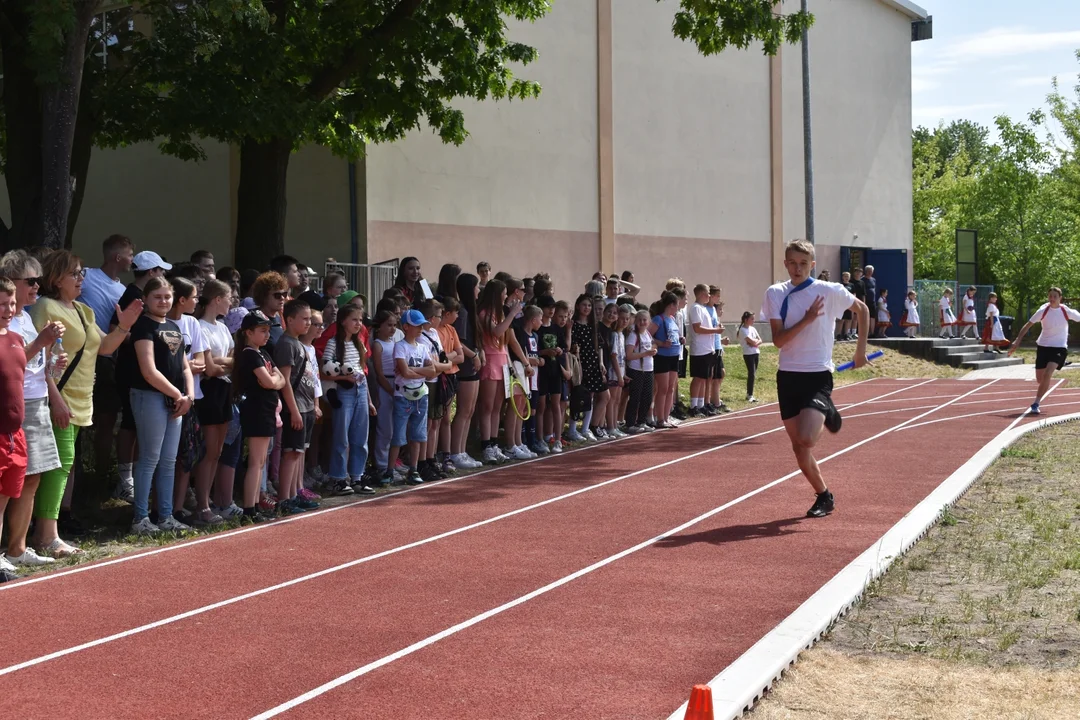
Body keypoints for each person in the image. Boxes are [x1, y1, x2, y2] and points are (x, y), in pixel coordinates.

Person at [31, 251, 142, 555]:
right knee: (60, 464)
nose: (82, 279)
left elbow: (103, 347)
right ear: (55, 279)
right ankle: (45, 535)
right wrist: (56, 400)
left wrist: (124, 326)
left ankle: (48, 530)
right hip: (58, 398)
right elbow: (38, 359)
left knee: (64, 465)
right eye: (75, 274)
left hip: (82, 400)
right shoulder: (45, 306)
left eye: (82, 273)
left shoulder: (83, 310)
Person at [762, 239, 869, 519]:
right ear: (785, 264)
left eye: (803, 263)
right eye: (792, 263)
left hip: (818, 374)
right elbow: (779, 341)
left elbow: (863, 310)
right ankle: (824, 495)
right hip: (788, 376)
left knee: (807, 439)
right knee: (799, 448)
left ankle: (826, 408)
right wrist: (808, 319)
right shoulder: (776, 293)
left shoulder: (829, 291)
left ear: (813, 265)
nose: (797, 269)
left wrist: (860, 352)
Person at [0, 252, 65, 568]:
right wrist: (41, 343)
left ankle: (17, 548)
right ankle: (10, 549)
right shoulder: (7, 319)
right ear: (10, 282)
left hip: (35, 400)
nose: (37, 286)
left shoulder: (23, 317)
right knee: (8, 482)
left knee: (32, 476)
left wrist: (52, 361)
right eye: (31, 280)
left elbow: (31, 364)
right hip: (16, 405)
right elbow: (12, 362)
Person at [127, 277, 194, 534]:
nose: (163, 301)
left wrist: (188, 396)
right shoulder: (143, 326)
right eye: (158, 297)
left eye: (167, 296)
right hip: (149, 397)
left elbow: (185, 366)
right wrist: (178, 394)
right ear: (146, 299)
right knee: (150, 458)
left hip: (175, 400)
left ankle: (165, 516)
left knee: (168, 460)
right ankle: (140, 519)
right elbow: (148, 370)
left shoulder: (174, 326)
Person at [111, 249, 171, 503]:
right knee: (130, 424)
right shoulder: (132, 296)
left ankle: (135, 479)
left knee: (138, 428)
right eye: (159, 271)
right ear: (151, 272)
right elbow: (116, 330)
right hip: (132, 371)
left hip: (147, 372)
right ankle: (125, 480)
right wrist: (140, 339)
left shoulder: (145, 299)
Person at [78, 235, 134, 486]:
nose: (132, 260)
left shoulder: (123, 291)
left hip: (110, 359)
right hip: (83, 358)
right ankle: (77, 472)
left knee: (107, 418)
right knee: (80, 420)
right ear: (118, 257)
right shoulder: (86, 276)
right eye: (130, 255)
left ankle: (99, 476)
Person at [233, 311, 285, 521]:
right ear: (248, 332)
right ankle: (249, 509)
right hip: (256, 410)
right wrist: (274, 379)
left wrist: (274, 379)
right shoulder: (250, 354)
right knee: (256, 461)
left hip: (266, 410)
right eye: (262, 331)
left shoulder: (263, 354)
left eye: (268, 331)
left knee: (261, 461)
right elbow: (271, 382)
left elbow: (280, 379)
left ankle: (254, 506)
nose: (267, 335)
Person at [166, 276, 210, 523]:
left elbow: (201, 362)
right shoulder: (156, 323)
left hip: (191, 397)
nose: (197, 301)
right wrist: (185, 365)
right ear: (181, 300)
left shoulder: (192, 323)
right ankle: (159, 507)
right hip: (165, 396)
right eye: (194, 297)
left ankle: (178, 508)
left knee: (187, 454)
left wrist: (186, 366)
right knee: (165, 456)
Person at [321, 305, 376, 495]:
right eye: (354, 320)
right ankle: (338, 477)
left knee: (360, 437)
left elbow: (362, 373)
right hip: (344, 392)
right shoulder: (333, 344)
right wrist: (344, 378)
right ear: (343, 321)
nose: (358, 324)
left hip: (360, 391)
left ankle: (357, 476)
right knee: (341, 437)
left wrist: (369, 400)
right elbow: (325, 372)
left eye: (360, 320)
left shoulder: (359, 343)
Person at [192, 279, 234, 524]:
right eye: (228, 298)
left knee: (217, 450)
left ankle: (210, 501)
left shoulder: (224, 327)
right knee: (208, 451)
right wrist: (220, 364)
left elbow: (232, 359)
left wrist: (221, 363)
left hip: (224, 391)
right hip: (209, 391)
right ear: (217, 299)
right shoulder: (200, 326)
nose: (231, 303)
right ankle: (202, 505)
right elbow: (209, 369)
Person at [275, 300, 322, 512]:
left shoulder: (298, 344)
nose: (307, 323)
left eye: (309, 319)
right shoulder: (286, 344)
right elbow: (285, 381)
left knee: (298, 452)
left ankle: (294, 494)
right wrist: (293, 411)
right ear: (289, 319)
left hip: (305, 406)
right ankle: (284, 499)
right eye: (304, 319)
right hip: (295, 407)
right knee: (291, 452)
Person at [1008, 287, 1080, 415]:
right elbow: (1027, 325)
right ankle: (1046, 383)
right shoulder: (1043, 311)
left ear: (1060, 298)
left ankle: (1036, 403)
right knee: (1040, 379)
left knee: (1048, 374)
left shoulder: (1066, 311)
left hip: (1059, 347)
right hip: (1043, 346)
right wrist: (1017, 341)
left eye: (1055, 296)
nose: (1052, 299)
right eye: (1050, 296)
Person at [0, 277, 30, 575]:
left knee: (5, 497)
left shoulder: (15, 338)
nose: (8, 309)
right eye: (1, 304)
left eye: (11, 303)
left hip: (14, 433)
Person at [391, 309, 439, 484]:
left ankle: (414, 469)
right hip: (402, 395)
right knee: (398, 435)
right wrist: (418, 372)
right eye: (416, 326)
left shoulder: (423, 347)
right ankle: (390, 470)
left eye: (422, 326)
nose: (420, 329)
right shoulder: (400, 346)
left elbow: (432, 371)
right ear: (405, 327)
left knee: (418, 435)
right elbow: (404, 372)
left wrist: (414, 371)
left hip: (421, 395)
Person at [449, 273, 483, 469]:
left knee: (469, 410)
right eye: (476, 287)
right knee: (463, 410)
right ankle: (456, 452)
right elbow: (458, 341)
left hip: (472, 365)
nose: (478, 291)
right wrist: (473, 355)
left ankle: (462, 450)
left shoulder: (469, 311)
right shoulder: (462, 312)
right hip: (464, 367)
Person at [648, 292, 681, 429]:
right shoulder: (658, 319)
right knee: (663, 388)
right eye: (677, 304)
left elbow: (674, 335)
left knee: (670, 388)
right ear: (671, 304)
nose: (678, 307)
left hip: (674, 355)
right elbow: (647, 335)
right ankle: (660, 419)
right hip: (662, 356)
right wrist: (661, 343)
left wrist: (681, 339)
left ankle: (666, 418)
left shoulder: (672, 319)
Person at [624, 309, 657, 433]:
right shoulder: (633, 335)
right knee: (635, 397)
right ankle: (630, 423)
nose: (642, 322)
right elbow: (629, 355)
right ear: (636, 321)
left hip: (648, 369)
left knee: (647, 397)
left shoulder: (647, 334)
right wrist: (645, 353)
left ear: (648, 322)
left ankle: (641, 421)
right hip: (636, 369)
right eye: (640, 320)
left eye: (645, 320)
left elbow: (652, 346)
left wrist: (653, 351)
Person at [737, 311, 763, 403]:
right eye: (751, 319)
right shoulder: (743, 330)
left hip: (756, 352)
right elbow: (750, 341)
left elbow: (760, 340)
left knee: (754, 373)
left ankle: (751, 394)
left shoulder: (753, 328)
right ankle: (749, 395)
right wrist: (754, 342)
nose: (753, 321)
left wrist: (755, 342)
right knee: (751, 373)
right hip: (748, 354)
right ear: (746, 319)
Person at [837, 271, 855, 341]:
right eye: (845, 276)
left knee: (848, 320)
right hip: (842, 304)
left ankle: (846, 334)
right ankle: (838, 334)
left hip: (849, 304)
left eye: (848, 276)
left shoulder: (852, 285)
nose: (846, 278)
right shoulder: (840, 285)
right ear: (843, 277)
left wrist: (852, 303)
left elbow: (854, 294)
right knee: (841, 320)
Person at [862, 265, 877, 337]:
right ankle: (866, 332)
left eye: (871, 271)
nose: (870, 272)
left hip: (872, 301)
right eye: (869, 271)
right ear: (866, 271)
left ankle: (872, 332)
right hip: (866, 301)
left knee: (873, 317)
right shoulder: (862, 280)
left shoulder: (873, 280)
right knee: (865, 316)